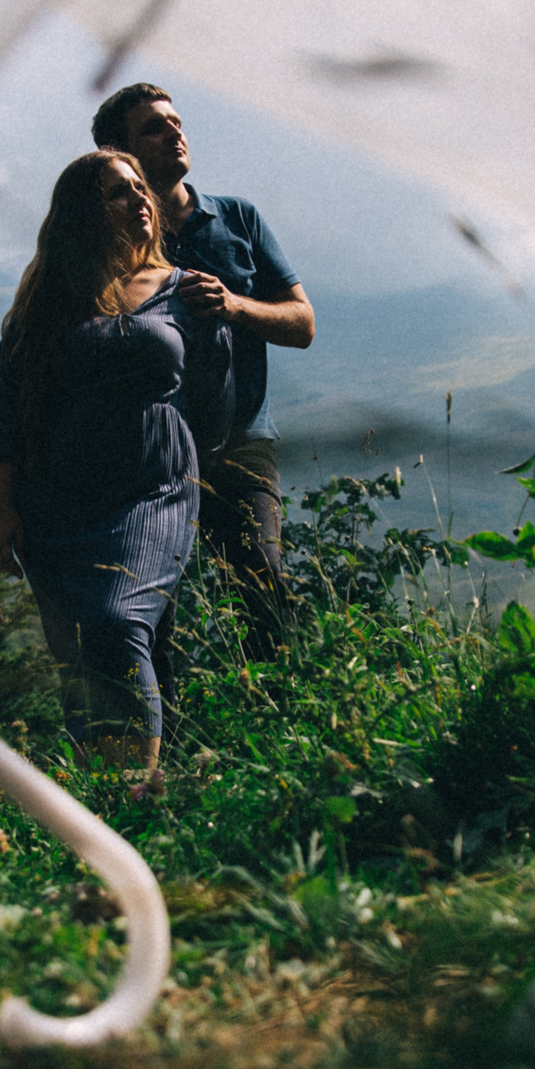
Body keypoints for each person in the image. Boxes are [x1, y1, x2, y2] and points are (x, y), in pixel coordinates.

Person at [0, 150, 233, 789]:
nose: (141, 200)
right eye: (120, 193)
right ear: (85, 215)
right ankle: (102, 801)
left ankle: (132, 795)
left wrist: (188, 471)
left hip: (153, 492)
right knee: (80, 654)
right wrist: (4, 511)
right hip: (57, 504)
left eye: (139, 189)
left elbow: (211, 402)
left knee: (116, 620)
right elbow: (10, 416)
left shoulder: (189, 292)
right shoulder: (46, 304)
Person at [92, 84, 314, 660]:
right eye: (154, 128)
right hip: (149, 453)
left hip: (242, 442)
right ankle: (166, 742)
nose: (174, 133)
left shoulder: (237, 218)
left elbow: (303, 324)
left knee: (264, 587)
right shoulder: (109, 241)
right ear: (120, 152)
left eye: (175, 121)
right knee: (149, 609)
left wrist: (234, 305)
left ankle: (291, 723)